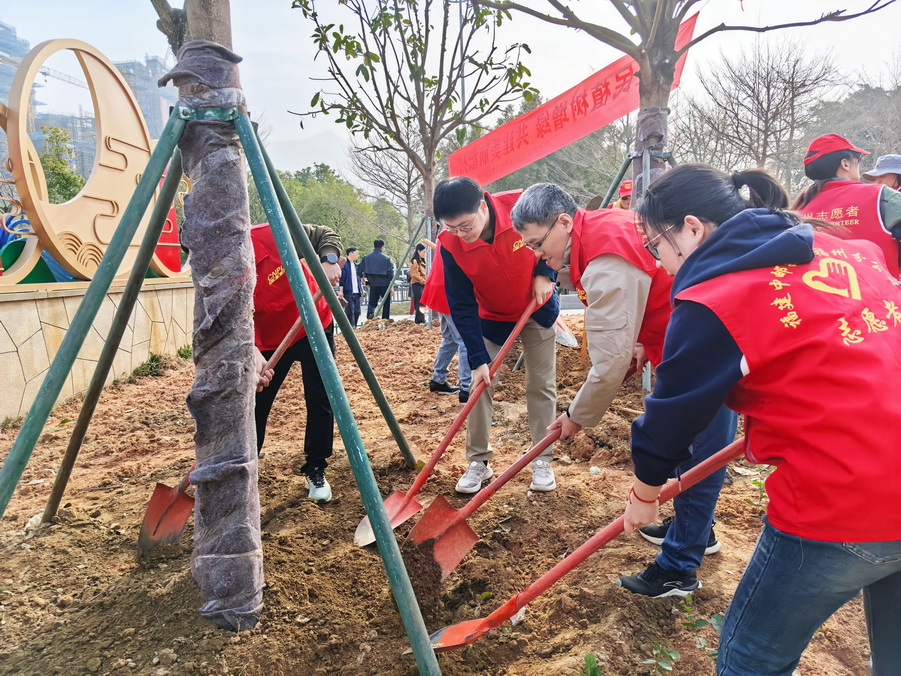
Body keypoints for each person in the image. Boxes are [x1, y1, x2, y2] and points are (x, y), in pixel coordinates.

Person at [620, 163, 901, 675]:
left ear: (691, 228)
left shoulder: (714, 296)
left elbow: (673, 415)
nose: (660, 262)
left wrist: (643, 493)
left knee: (753, 657)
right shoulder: (850, 251)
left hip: (844, 500)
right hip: (881, 467)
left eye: (656, 245)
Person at [511, 183, 737, 597]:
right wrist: (640, 340)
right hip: (683, 336)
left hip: (702, 347)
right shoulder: (603, 226)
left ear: (564, 222)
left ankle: (678, 567)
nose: (537, 256)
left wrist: (577, 416)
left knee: (699, 452)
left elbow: (609, 364)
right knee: (695, 447)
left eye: (538, 243)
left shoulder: (604, 258)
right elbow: (647, 289)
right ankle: (695, 528)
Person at [434, 176, 560, 494]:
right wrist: (477, 358)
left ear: (481, 206)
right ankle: (479, 461)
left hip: (536, 307)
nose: (461, 234)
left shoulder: (519, 205)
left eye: (465, 226)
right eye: (452, 228)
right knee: (479, 385)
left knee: (540, 384)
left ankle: (542, 459)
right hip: (490, 317)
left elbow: (555, 234)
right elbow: (461, 303)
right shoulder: (449, 243)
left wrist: (546, 273)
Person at [251, 222, 342, 503]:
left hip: (313, 323)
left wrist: (329, 260)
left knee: (320, 397)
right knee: (254, 404)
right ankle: (245, 469)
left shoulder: (269, 233)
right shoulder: (215, 275)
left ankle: (316, 467)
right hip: (266, 342)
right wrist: (250, 349)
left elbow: (324, 234)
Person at [792, 133, 901, 278]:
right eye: (858, 161)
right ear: (845, 164)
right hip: (879, 291)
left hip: (819, 288)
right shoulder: (880, 195)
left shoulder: (798, 208)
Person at [421, 237, 472, 402]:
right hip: (450, 290)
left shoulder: (450, 229)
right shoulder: (458, 230)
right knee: (465, 340)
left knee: (450, 338)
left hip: (440, 288)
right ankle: (467, 388)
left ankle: (438, 379)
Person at [359, 238, 395, 320]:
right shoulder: (387, 258)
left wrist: (364, 281)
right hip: (385, 284)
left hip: (372, 283)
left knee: (372, 302)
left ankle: (370, 314)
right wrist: (391, 287)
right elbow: (391, 274)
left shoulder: (366, 258)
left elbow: (359, 270)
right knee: (386, 303)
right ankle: (385, 320)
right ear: (382, 247)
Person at [338, 246, 363, 328]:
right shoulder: (345, 266)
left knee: (357, 311)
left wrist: (362, 289)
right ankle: (350, 328)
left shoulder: (356, 266)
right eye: (356, 253)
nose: (357, 255)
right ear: (351, 253)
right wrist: (341, 291)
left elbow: (359, 279)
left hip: (357, 292)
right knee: (350, 311)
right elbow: (342, 279)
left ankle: (354, 326)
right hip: (348, 292)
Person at [409, 243, 427, 324]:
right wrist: (423, 281)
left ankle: (421, 319)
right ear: (418, 251)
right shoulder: (414, 261)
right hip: (417, 284)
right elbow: (414, 275)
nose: (424, 253)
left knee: (422, 302)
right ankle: (419, 320)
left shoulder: (422, 260)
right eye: (423, 251)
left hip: (422, 283)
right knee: (419, 302)